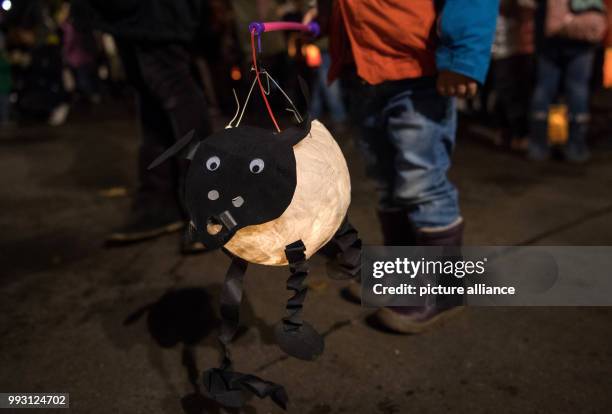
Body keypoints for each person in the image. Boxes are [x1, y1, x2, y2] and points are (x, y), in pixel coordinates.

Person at [305, 0, 498, 333]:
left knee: (422, 184)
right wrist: (328, 16)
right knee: (387, 183)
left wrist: (464, 55)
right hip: (364, 70)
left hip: (416, 69)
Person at [72, 0, 214, 251]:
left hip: (155, 9)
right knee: (148, 92)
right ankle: (160, 200)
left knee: (171, 83)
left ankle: (206, 199)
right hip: (128, 13)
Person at [528, 0, 609, 163]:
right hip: (581, 39)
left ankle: (539, 147)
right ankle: (575, 147)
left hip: (549, 39)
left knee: (545, 89)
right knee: (577, 89)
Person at [490, 0, 536, 152]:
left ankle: (512, 132)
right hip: (503, 49)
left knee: (512, 93)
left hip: (515, 48)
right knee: (508, 93)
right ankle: (512, 132)